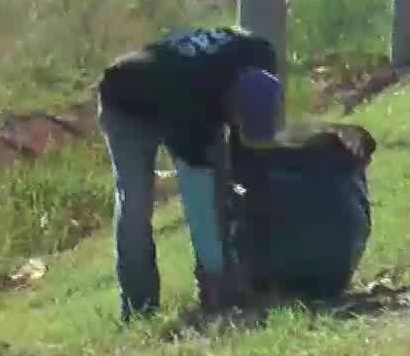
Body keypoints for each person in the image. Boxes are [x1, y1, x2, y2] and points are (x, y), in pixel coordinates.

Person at [97, 26, 283, 320]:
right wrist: (214, 274)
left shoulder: (261, 54)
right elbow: (198, 198)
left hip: (184, 81)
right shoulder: (193, 107)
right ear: (227, 104)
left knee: (219, 179)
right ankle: (139, 306)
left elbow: (247, 147)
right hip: (128, 97)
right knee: (136, 201)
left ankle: (225, 279)